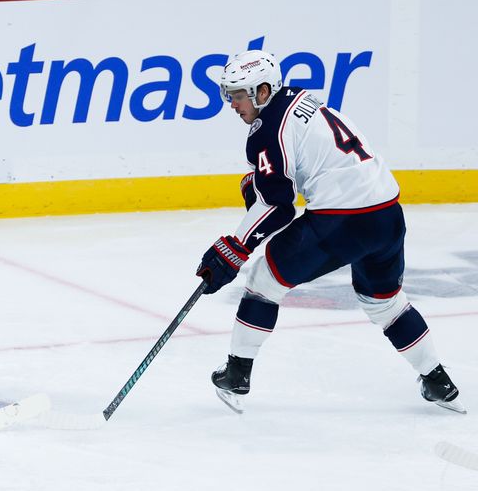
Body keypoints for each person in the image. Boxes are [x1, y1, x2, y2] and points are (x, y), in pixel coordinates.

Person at [196, 50, 464, 414]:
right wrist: (259, 190)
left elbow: (279, 206)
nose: (232, 104)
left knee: (263, 280)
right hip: (387, 214)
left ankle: (237, 374)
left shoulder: (265, 132)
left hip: (342, 221)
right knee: (385, 302)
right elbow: (284, 183)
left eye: (238, 95)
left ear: (262, 92)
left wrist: (235, 247)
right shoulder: (300, 99)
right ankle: (437, 380)